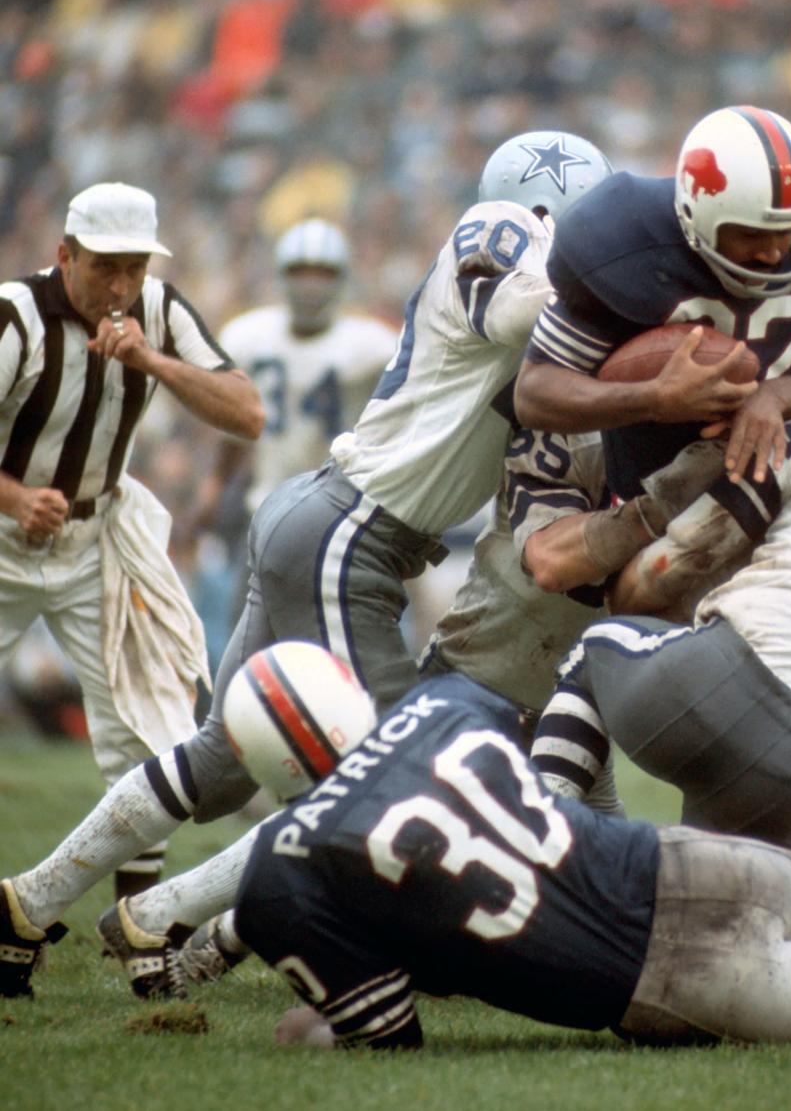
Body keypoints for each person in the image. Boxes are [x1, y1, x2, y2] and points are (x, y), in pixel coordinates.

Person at [0, 130, 612, 998]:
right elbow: (523, 313)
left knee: (218, 761)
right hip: (348, 532)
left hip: (325, 518)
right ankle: (167, 917)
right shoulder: (504, 231)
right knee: (407, 761)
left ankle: (28, 899)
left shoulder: (521, 280)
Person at [228, 646, 791, 1050]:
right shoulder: (441, 704)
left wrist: (320, 1031)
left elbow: (390, 1035)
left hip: (667, 981)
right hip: (683, 861)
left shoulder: (283, 874)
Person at [530, 356, 791, 861]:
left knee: (597, 648)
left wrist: (633, 601)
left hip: (709, 682)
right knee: (718, 911)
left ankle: (529, 832)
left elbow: (680, 558)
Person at [0, 181, 263, 902]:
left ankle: (136, 925)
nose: (120, 286)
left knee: (149, 734)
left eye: (135, 268)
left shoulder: (160, 310)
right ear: (65, 254)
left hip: (98, 542)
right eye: (104, 266)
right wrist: (16, 495)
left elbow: (247, 413)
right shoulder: (14, 314)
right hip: (2, 536)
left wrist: (154, 363)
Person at [513, 104, 791, 498]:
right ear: (696, 213)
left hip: (785, 487)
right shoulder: (622, 245)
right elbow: (535, 391)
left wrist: (774, 396)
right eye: (752, 235)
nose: (774, 252)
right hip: (644, 494)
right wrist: (653, 398)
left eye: (788, 231)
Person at [191, 217, 397, 664]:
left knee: (354, 641)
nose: (310, 285)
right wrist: (213, 486)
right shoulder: (250, 336)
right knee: (246, 643)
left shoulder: (374, 346)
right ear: (283, 277)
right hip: (266, 510)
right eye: (301, 271)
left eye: (322, 273)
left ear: (341, 279)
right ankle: (238, 725)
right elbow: (236, 425)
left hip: (347, 515)